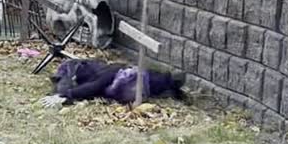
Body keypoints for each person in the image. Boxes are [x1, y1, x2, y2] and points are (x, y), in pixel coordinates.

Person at [40, 59, 186, 107]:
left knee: (159, 82)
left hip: (136, 79)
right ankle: (172, 85)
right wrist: (63, 95)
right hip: (133, 84)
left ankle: (173, 83)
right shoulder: (91, 73)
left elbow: (94, 86)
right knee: (157, 84)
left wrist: (66, 94)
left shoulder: (107, 71)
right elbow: (91, 89)